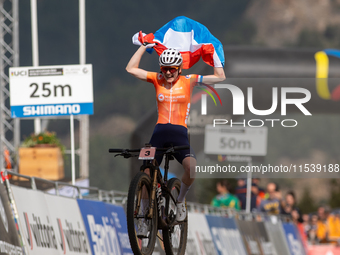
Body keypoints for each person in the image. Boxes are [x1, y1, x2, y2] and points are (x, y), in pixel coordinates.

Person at [126, 44, 225, 233]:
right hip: (159, 134)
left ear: (180, 68)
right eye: (165, 68)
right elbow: (130, 69)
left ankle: (179, 202)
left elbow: (220, 77)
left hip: (180, 134)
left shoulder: (189, 80)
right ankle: (145, 215)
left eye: (172, 69)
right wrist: (143, 48)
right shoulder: (157, 79)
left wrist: (215, 54)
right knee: (146, 173)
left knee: (192, 168)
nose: (169, 72)